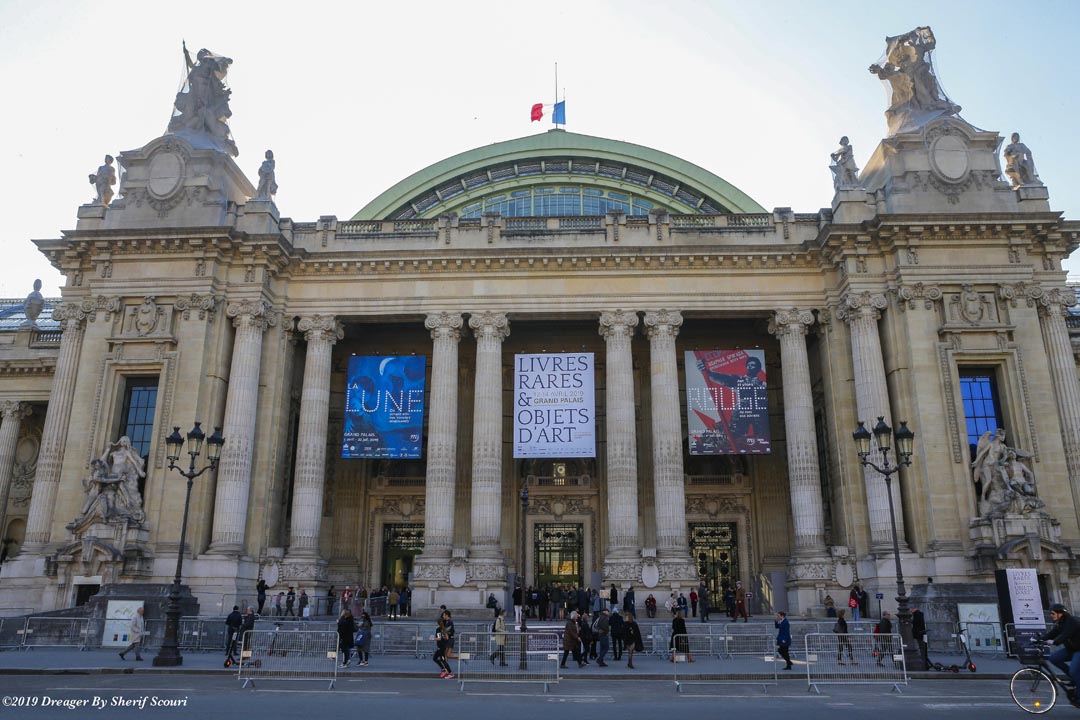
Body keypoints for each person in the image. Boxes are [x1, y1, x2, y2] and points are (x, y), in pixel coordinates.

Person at [1041, 603, 1080, 703]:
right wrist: (1039, 639)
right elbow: (1052, 633)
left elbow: (1065, 635)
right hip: (1072, 649)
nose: (1051, 615)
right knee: (1054, 658)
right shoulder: (1060, 623)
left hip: (1079, 650)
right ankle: (1074, 679)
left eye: (1053, 613)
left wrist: (1054, 642)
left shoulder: (1071, 621)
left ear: (1060, 614)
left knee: (1073, 670)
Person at [434, 611, 454, 679]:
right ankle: (443, 669)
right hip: (441, 646)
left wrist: (433, 638)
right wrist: (444, 639)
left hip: (441, 647)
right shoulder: (442, 629)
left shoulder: (438, 629)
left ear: (437, 623)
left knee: (443, 660)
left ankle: (450, 673)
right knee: (435, 658)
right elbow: (447, 637)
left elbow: (439, 638)